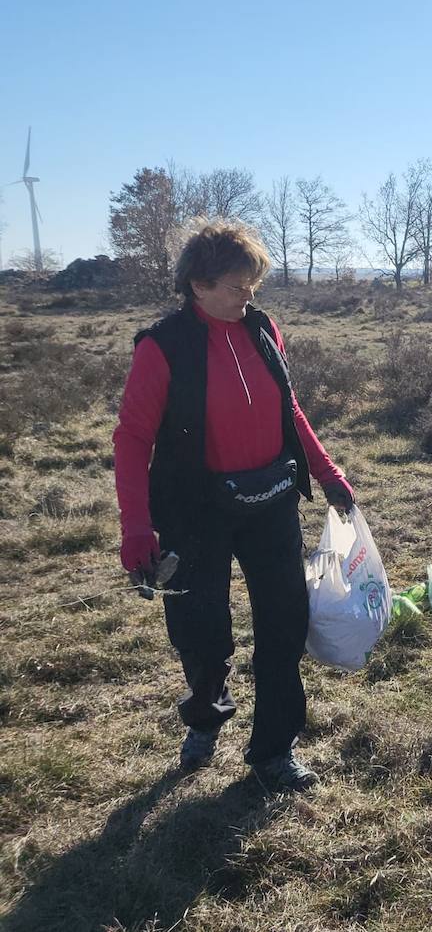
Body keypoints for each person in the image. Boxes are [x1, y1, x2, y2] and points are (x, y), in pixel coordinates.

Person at [113, 219, 354, 792]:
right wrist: (136, 527)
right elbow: (132, 439)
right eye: (237, 286)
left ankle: (274, 749)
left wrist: (327, 471)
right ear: (198, 283)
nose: (249, 297)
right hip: (194, 511)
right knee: (201, 631)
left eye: (253, 285)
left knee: (284, 623)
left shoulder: (264, 329)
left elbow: (286, 410)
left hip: (270, 499)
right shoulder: (161, 346)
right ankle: (205, 713)